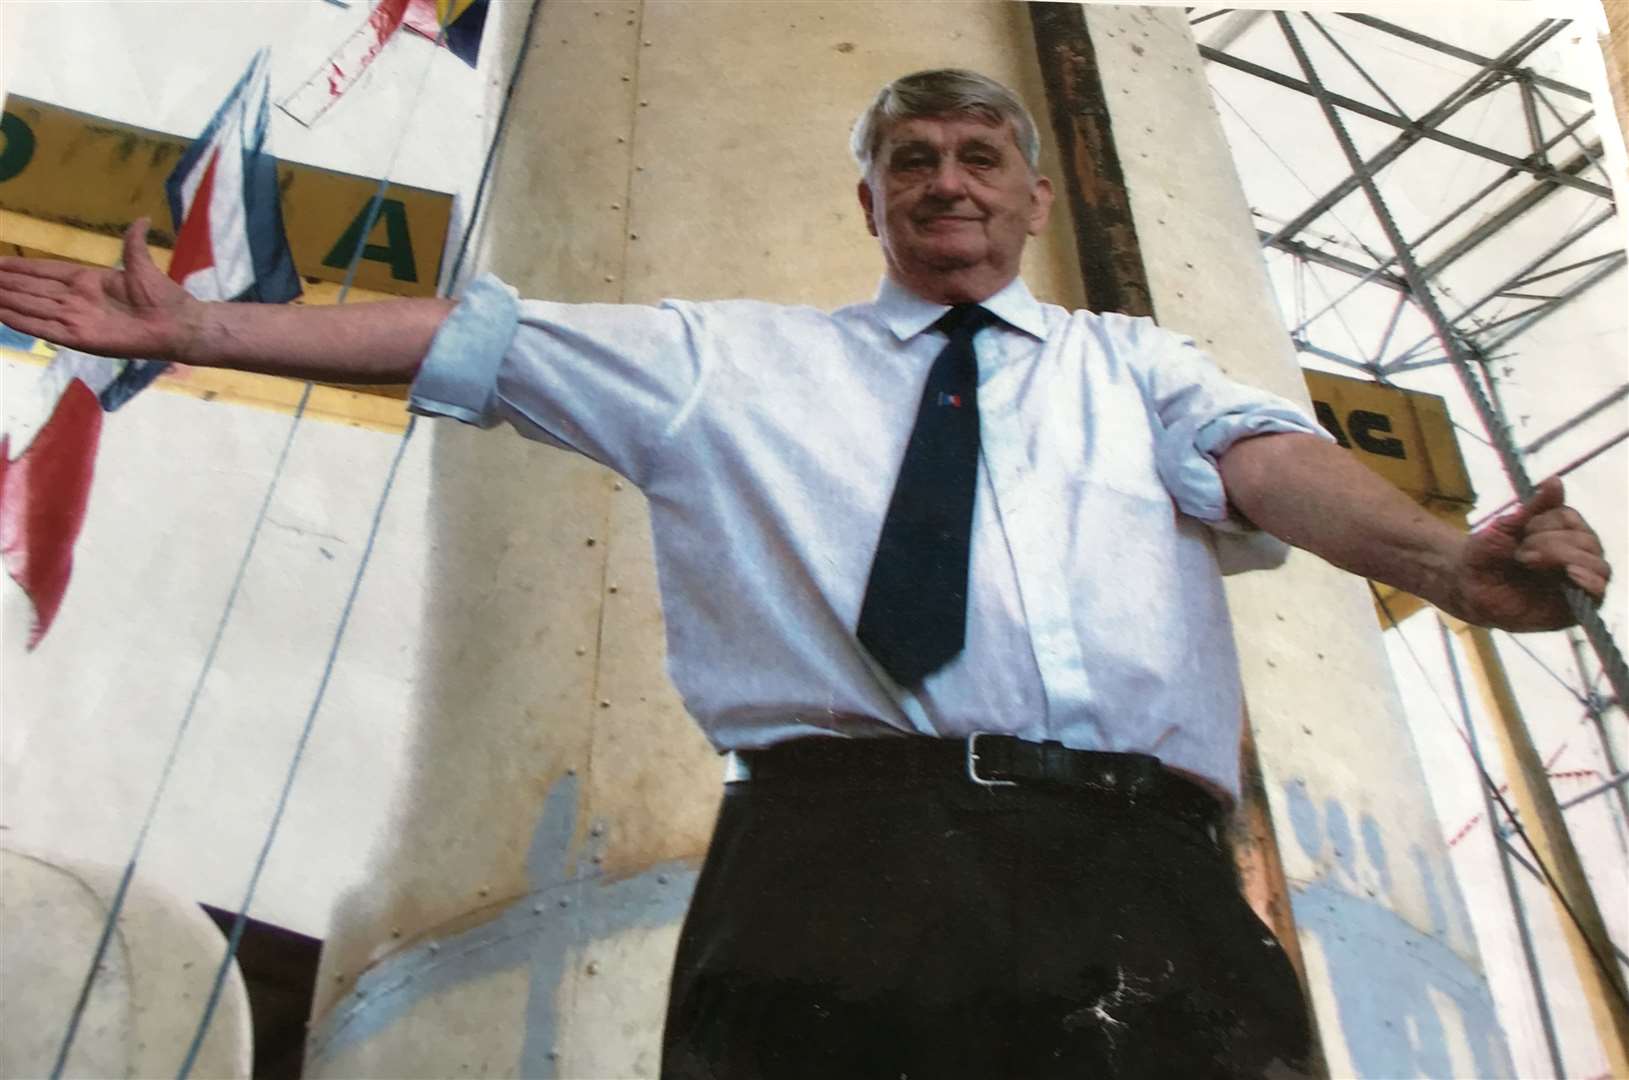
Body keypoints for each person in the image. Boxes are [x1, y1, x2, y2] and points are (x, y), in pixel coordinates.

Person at [0, 69, 1610, 1078]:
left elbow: (1269, 465)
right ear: (870, 198)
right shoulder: (726, 363)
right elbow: (469, 340)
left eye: (979, 156)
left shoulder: (1138, 366)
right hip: (836, 858)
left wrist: (1446, 566)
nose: (947, 184)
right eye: (911, 160)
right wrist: (204, 327)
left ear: (1035, 198)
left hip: (1133, 867)